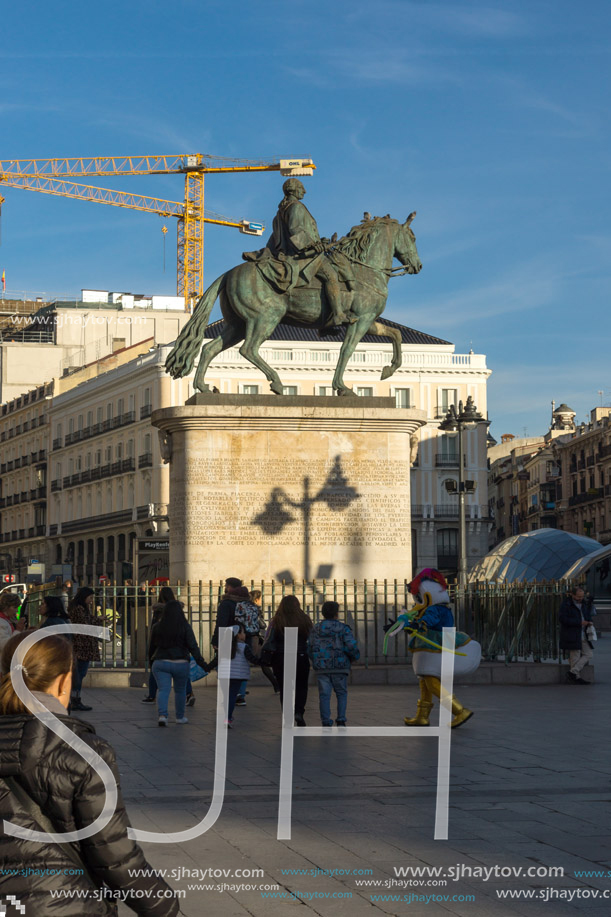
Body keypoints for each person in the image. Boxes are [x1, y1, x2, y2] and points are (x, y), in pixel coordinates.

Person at [0, 630, 179, 915]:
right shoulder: (85, 751)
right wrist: (162, 906)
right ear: (63, 681)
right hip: (65, 904)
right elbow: (114, 853)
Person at [244, 178, 356, 327]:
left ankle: (325, 323)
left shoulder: (281, 211)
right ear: (293, 190)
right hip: (301, 255)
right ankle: (338, 315)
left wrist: (319, 242)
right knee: (332, 275)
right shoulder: (295, 207)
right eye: (301, 188)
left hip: (295, 252)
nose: (304, 191)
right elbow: (295, 230)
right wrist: (312, 246)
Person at [148, 600, 209, 726]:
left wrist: (151, 662)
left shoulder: (157, 627)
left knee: (163, 690)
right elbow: (193, 646)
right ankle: (180, 717)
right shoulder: (185, 626)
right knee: (180, 691)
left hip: (161, 662)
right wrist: (202, 663)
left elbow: (152, 647)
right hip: (181, 662)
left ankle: (162, 716)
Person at [262, 595, 313, 726]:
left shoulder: (277, 620)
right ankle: (299, 712)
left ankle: (288, 716)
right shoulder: (305, 619)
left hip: (281, 656)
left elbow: (269, 638)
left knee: (285, 688)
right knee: (301, 686)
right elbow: (311, 637)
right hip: (300, 655)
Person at [307, 600, 360, 727]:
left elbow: (310, 647)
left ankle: (326, 720)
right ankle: (341, 719)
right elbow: (351, 645)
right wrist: (353, 657)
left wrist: (315, 660)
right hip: (340, 666)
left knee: (324, 694)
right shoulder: (343, 628)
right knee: (341, 692)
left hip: (322, 667)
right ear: (336, 613)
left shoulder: (316, 628)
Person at [142, 587, 196, 706]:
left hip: (162, 645)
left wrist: (150, 655)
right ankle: (189, 694)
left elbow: (153, 628)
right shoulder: (178, 609)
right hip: (179, 647)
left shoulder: (158, 610)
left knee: (155, 673)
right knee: (183, 674)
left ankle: (152, 696)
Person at [67, 586, 102, 712]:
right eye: (90, 597)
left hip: (82, 644)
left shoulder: (79, 607)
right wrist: (98, 620)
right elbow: (85, 624)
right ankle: (75, 699)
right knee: (79, 674)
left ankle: (75, 698)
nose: (92, 600)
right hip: (82, 645)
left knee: (80, 674)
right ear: (84, 597)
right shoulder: (79, 609)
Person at [219, 625, 260, 728]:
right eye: (243, 632)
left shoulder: (223, 646)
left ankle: (226, 716)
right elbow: (252, 659)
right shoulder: (243, 647)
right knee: (232, 696)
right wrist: (264, 662)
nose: (244, 634)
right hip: (236, 676)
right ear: (238, 635)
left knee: (226, 696)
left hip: (224, 675)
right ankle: (227, 718)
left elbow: (216, 661)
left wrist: (206, 667)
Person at [559, 585, 597, 684]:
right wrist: (579, 622)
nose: (580, 598)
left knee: (588, 654)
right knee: (574, 656)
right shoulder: (566, 604)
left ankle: (573, 672)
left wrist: (589, 622)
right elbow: (563, 619)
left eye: (582, 596)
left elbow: (587, 615)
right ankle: (576, 677)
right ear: (572, 595)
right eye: (579, 597)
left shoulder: (584, 604)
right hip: (572, 633)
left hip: (583, 633)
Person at [250, 589, 279, 694]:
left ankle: (276, 685)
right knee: (263, 662)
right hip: (258, 638)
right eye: (260, 599)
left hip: (256, 638)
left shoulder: (249, 609)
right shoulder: (256, 609)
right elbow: (262, 624)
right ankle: (276, 685)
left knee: (263, 662)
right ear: (257, 599)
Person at [210, 577, 243, 657]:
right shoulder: (244, 602)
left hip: (227, 637)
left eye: (226, 586)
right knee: (239, 666)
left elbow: (221, 623)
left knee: (224, 667)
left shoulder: (226, 603)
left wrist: (216, 640)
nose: (225, 588)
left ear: (230, 587)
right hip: (242, 638)